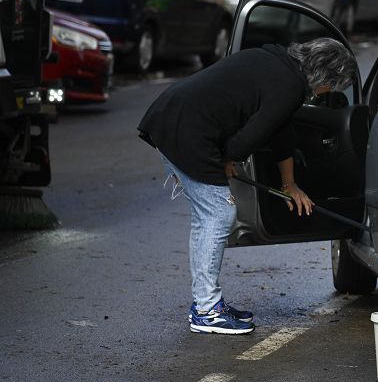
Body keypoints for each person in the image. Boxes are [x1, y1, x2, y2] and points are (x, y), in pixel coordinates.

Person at [137, 38, 356, 335]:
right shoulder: (289, 87)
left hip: (171, 114)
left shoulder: (274, 61)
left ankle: (206, 305)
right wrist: (227, 158)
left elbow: (280, 132)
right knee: (217, 214)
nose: (327, 93)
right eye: (332, 86)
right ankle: (206, 310)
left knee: (208, 217)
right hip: (188, 131)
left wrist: (289, 184)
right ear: (325, 76)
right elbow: (251, 137)